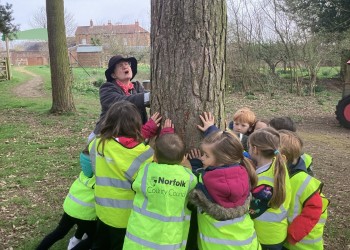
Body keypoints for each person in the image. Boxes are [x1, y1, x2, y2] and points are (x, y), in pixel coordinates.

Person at [88, 100, 167, 250]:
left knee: (100, 244)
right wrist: (165, 139)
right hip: (126, 217)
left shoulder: (97, 144)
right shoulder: (143, 154)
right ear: (136, 123)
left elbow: (119, 147)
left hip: (102, 211)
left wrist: (146, 132)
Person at [123, 131, 197, 249]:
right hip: (168, 242)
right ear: (182, 159)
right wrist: (188, 163)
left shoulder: (146, 170)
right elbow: (192, 179)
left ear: (154, 157)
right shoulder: (188, 177)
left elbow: (132, 180)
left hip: (138, 241)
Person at [188, 129, 260, 250]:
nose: (202, 158)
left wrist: (195, 165)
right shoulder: (243, 173)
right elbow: (226, 146)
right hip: (247, 243)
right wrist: (212, 130)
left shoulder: (204, 181)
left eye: (206, 155)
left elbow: (192, 193)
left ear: (222, 160)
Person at [36, 150, 96, 250]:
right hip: (86, 214)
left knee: (58, 233)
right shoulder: (99, 179)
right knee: (94, 239)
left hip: (70, 207)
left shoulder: (84, 173)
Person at [279, 130, 329, 249]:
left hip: (303, 244)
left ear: (283, 158)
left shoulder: (304, 181)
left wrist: (292, 235)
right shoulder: (283, 173)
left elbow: (313, 212)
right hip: (287, 241)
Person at [89, 55, 150, 141]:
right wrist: (148, 97)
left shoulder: (137, 86)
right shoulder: (107, 88)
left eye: (127, 64)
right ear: (113, 75)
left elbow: (151, 99)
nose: (125, 66)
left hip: (130, 137)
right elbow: (120, 102)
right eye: (120, 65)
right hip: (105, 138)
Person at [248, 127, 291, 250]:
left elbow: (249, 211)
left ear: (255, 149)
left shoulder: (264, 183)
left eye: (249, 146)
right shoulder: (277, 165)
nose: (248, 149)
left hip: (265, 239)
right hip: (276, 233)